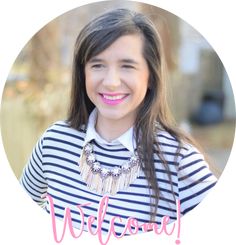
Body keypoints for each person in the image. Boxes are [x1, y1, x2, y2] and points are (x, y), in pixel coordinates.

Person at [20, 8, 217, 236]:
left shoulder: (178, 161)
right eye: (97, 65)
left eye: (127, 66)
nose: (111, 82)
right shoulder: (53, 142)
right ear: (82, 73)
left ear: (150, 76)